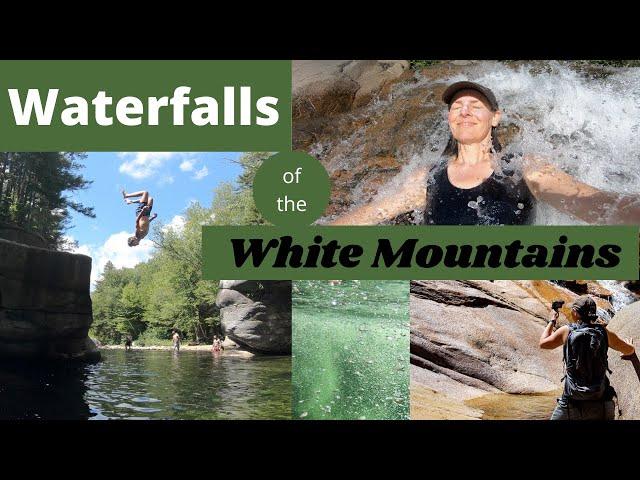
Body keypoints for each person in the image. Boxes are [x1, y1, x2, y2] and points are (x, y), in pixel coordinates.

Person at [330, 81, 640, 226]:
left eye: (475, 106)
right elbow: (366, 216)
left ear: (495, 117)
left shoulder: (523, 168)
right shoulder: (426, 178)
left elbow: (598, 204)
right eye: (456, 107)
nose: (464, 112)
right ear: (449, 118)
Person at [539, 295, 635, 420]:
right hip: (600, 401)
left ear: (575, 313)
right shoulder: (603, 332)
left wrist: (552, 321)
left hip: (571, 402)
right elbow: (629, 350)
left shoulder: (566, 331)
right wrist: (630, 347)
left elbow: (543, 343)